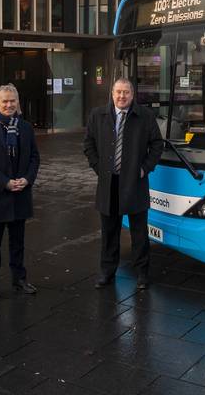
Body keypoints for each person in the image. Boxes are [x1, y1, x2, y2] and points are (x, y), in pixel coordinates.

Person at [83, 77, 164, 290]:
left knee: (139, 233)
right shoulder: (98, 115)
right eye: (118, 92)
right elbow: (89, 143)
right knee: (109, 232)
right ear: (112, 94)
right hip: (108, 183)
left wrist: (144, 168)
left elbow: (157, 144)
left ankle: (142, 274)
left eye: (126, 92)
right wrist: (99, 168)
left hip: (135, 183)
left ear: (132, 95)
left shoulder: (145, 116)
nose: (122, 96)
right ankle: (107, 272)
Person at [0, 83, 41, 304]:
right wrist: (5, 183)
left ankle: (19, 279)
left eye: (13, 101)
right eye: (5, 101)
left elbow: (34, 158)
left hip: (20, 194)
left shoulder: (26, 127)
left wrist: (27, 179)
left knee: (18, 242)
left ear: (17, 102)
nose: (9, 105)